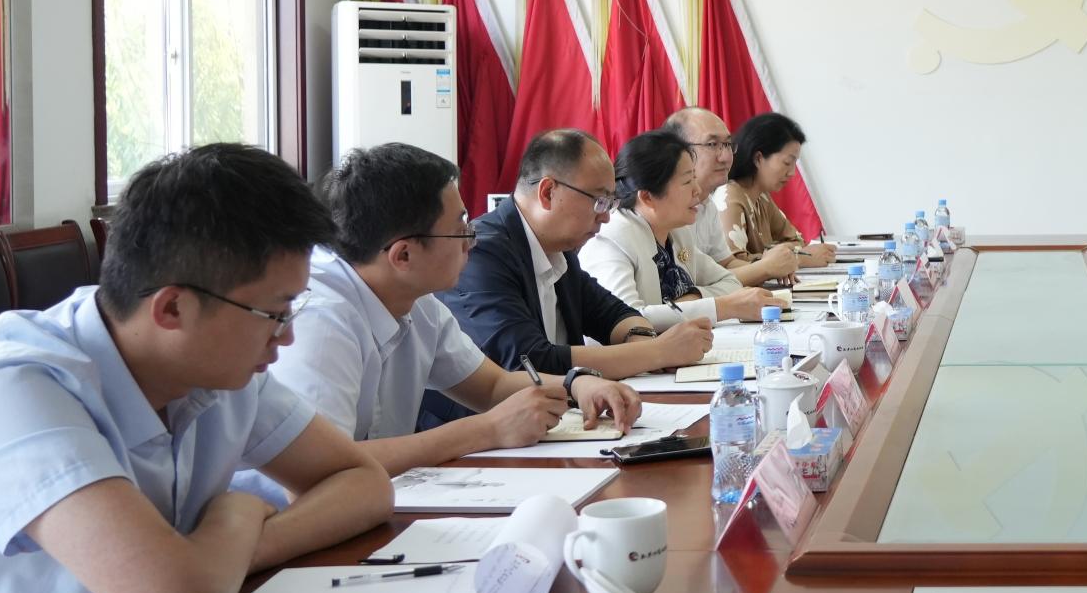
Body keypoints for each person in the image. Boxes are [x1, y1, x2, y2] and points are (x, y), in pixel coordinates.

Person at [0, 145, 392, 593]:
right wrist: (238, 510)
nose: (288, 337)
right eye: (275, 314)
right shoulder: (11, 387)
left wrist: (224, 555)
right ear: (172, 309)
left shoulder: (215, 369)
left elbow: (363, 483)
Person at [272, 143, 646, 475]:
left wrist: (576, 383)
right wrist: (488, 429)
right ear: (403, 255)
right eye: (460, 229)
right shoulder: (318, 323)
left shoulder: (419, 303)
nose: (472, 241)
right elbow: (327, 468)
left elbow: (492, 385)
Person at [435, 130, 712, 406]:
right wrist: (657, 352)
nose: (606, 217)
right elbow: (529, 362)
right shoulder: (482, 253)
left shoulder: (559, 248)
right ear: (548, 192)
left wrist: (643, 340)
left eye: (611, 202)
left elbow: (613, 313)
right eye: (599, 201)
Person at [582, 130, 787, 325]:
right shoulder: (612, 238)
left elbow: (730, 282)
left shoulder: (677, 232)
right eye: (688, 181)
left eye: (695, 179)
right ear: (647, 197)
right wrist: (722, 307)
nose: (697, 190)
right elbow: (627, 320)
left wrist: (692, 297)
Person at [665, 106, 799, 285]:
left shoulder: (707, 205)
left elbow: (725, 264)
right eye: (712, 145)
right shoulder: (667, 211)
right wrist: (765, 268)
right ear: (677, 152)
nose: (726, 157)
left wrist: (771, 267)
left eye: (728, 145)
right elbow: (692, 285)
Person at [721, 112, 836, 268]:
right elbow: (732, 266)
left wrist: (781, 254)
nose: (792, 173)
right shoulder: (729, 198)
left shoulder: (762, 197)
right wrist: (799, 259)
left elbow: (796, 240)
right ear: (758, 158)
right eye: (787, 163)